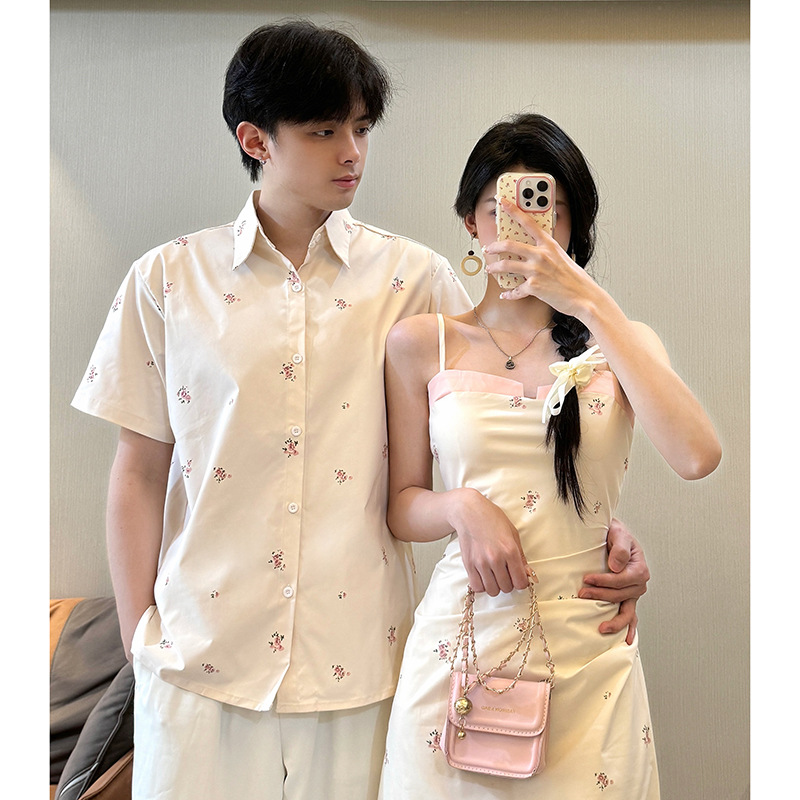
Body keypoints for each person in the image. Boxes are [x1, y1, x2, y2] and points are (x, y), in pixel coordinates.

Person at [71, 21, 652, 800]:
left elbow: (501, 424)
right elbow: (138, 474)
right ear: (255, 139)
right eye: (324, 131)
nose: (352, 152)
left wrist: (601, 534)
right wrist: (140, 636)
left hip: (360, 667)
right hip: (198, 662)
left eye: (362, 128)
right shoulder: (167, 281)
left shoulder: (418, 282)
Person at [378, 113, 721, 798]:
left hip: (590, 648)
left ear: (575, 225)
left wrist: (591, 305)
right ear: (470, 220)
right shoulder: (422, 343)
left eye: (551, 211)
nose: (530, 230)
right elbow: (402, 506)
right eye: (502, 209)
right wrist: (461, 506)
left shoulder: (620, 342)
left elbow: (696, 456)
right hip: (462, 641)